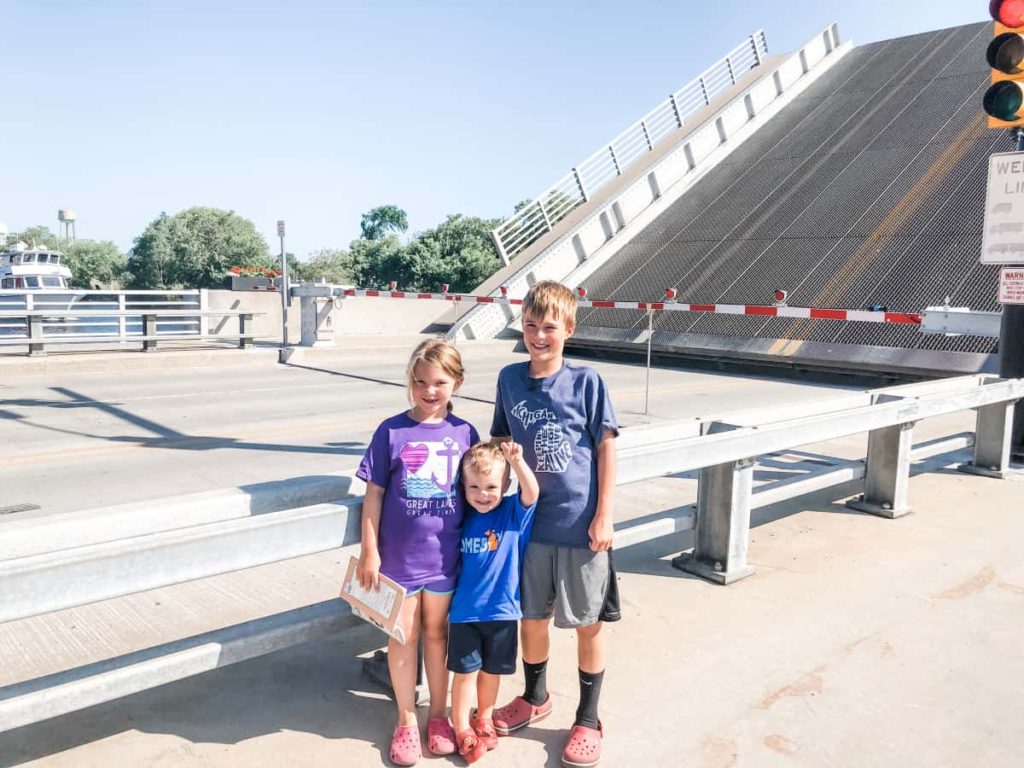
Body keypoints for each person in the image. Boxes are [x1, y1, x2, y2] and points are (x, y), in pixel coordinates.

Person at [489, 280, 619, 768]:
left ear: (568, 329)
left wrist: (604, 515)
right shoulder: (508, 378)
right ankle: (535, 695)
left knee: (588, 624)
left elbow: (606, 447)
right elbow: (501, 440)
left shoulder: (587, 382)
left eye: (549, 327)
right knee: (532, 619)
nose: (538, 336)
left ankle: (588, 718)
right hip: (528, 527)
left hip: (581, 526)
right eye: (530, 326)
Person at [352, 338, 479, 766]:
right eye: (420, 382)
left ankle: (439, 716)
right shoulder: (391, 431)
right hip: (399, 561)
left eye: (439, 382)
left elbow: (480, 495)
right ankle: (406, 717)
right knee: (401, 636)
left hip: (445, 559)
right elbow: (373, 496)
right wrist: (370, 551)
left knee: (437, 634)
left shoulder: (465, 434)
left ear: (456, 383)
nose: (429, 391)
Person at [447, 441, 540, 763]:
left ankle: (483, 717)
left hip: (502, 612)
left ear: (505, 486)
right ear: (463, 487)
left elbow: (533, 492)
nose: (481, 494)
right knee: (464, 674)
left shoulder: (513, 514)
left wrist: (517, 461)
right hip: (464, 613)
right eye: (473, 486)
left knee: (491, 671)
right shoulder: (462, 517)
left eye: (490, 487)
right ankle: (461, 727)